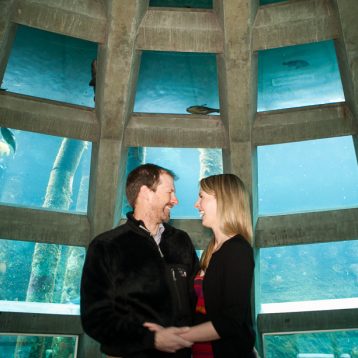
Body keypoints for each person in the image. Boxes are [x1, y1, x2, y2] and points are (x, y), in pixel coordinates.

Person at [80, 163, 199, 358]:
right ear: (145, 192)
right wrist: (151, 339)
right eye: (170, 192)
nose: (175, 200)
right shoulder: (106, 246)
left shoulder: (181, 240)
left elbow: (196, 300)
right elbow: (95, 319)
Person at [145, 173, 256, 358]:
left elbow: (231, 321)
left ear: (223, 200)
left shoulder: (238, 250)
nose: (197, 204)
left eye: (202, 197)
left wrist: (175, 337)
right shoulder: (212, 249)